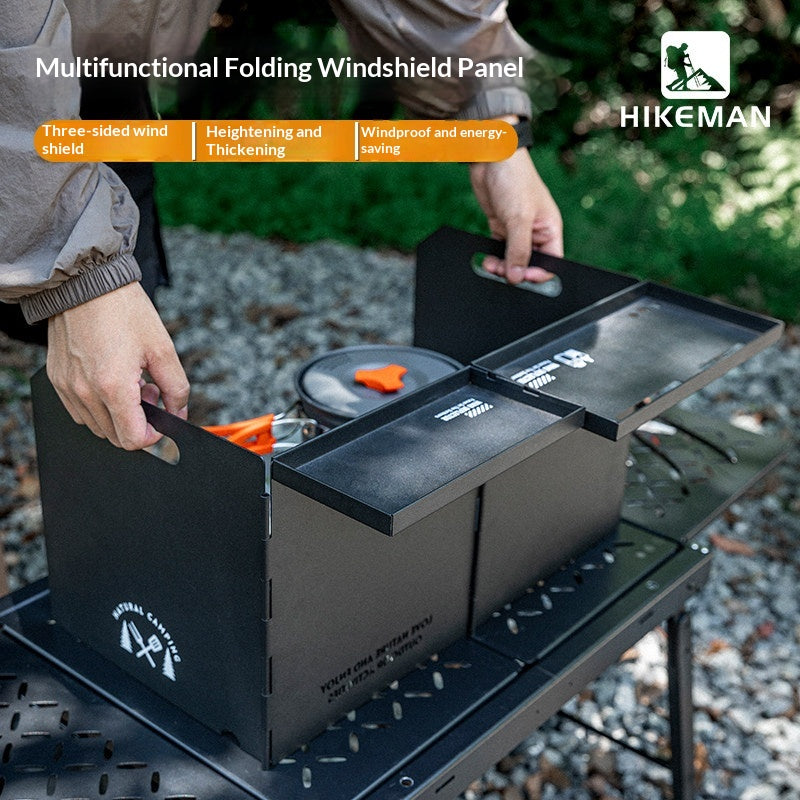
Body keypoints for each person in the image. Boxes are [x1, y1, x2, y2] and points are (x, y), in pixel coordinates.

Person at [0, 0, 563, 451]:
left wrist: (493, 128)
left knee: (112, 366)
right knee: (84, 319)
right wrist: (76, 266)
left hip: (97, 80)